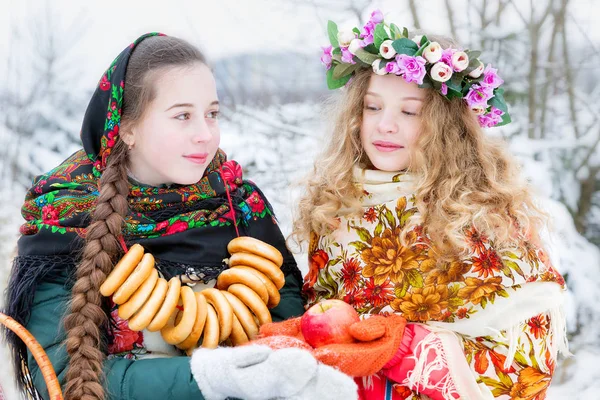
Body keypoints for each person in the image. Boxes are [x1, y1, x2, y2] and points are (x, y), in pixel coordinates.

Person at [3, 33, 357, 400]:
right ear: (128, 129)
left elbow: (291, 327)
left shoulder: (239, 204)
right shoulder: (66, 216)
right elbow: (60, 376)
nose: (205, 135)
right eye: (183, 116)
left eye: (212, 114)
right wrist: (212, 377)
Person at [260, 10, 569, 400]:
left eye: (409, 112)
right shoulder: (336, 206)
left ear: (446, 127)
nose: (384, 125)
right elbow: (326, 321)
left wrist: (404, 346)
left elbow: (527, 364)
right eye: (372, 107)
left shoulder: (480, 214)